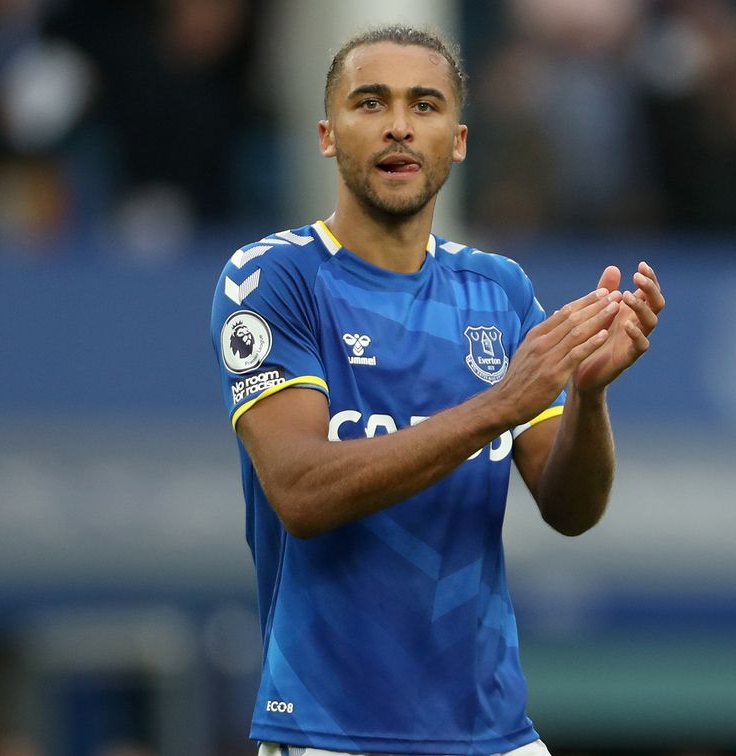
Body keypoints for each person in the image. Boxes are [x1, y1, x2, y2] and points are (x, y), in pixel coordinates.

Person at [209, 24, 664, 756]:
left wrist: (587, 397)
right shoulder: (275, 279)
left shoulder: (498, 290)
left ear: (456, 140)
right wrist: (500, 407)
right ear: (328, 135)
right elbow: (300, 492)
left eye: (424, 105)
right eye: (370, 103)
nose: (398, 125)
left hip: (492, 731)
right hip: (331, 730)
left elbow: (570, 508)